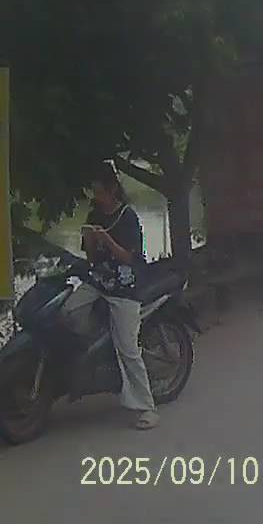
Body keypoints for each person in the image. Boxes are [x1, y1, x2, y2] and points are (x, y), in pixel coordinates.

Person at [64, 162, 159, 430]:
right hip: (99, 280)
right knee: (68, 312)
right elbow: (93, 259)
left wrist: (107, 240)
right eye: (94, 192)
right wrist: (91, 243)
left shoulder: (128, 217)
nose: (97, 197)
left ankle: (146, 407)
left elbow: (129, 257)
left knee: (128, 348)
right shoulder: (94, 213)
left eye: (101, 192)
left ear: (113, 189)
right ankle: (97, 354)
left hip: (125, 285)